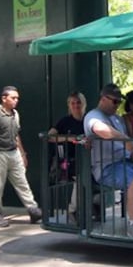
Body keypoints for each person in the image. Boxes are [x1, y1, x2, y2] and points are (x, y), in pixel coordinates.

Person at [85, 83, 133, 239]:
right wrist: (125, 139)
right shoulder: (93, 116)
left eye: (119, 102)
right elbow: (101, 129)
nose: (117, 105)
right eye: (114, 101)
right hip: (107, 167)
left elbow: (128, 146)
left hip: (126, 161)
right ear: (103, 99)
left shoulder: (117, 118)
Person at [0, 86, 42, 228]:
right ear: (4, 98)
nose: (16, 100)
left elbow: (16, 135)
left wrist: (22, 153)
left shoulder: (15, 114)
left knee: (22, 182)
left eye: (17, 98)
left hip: (14, 153)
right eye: (13, 98)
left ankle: (33, 210)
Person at [47, 92, 86, 221]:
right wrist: (68, 139)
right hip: (69, 160)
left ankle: (94, 205)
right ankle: (73, 210)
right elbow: (50, 136)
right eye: (73, 103)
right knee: (81, 178)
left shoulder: (88, 120)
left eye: (78, 102)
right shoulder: (64, 121)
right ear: (69, 105)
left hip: (89, 158)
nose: (76, 105)